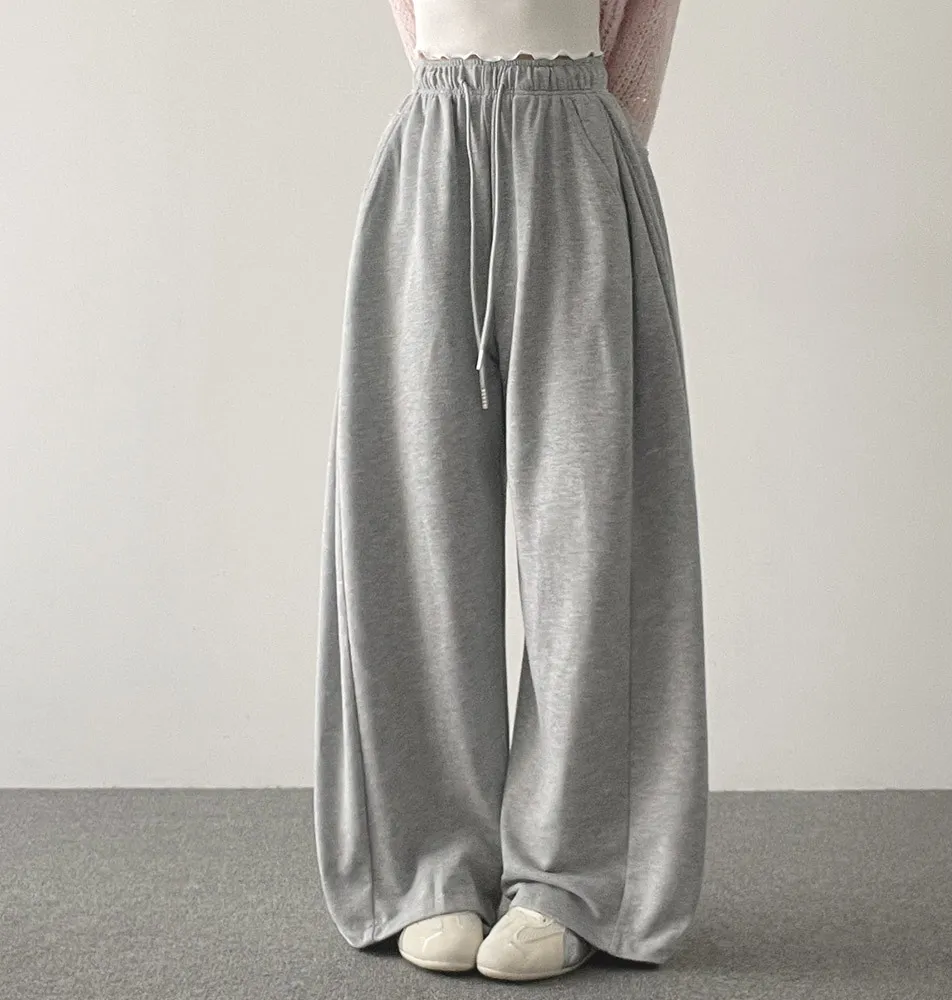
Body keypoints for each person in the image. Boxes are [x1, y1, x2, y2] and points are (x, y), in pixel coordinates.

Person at [313, 0, 708, 982]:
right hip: (433, 147)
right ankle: (431, 866)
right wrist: (471, 103)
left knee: (593, 536)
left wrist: (583, 145)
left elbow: (643, 26)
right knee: (416, 523)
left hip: (577, 143)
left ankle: (573, 875)